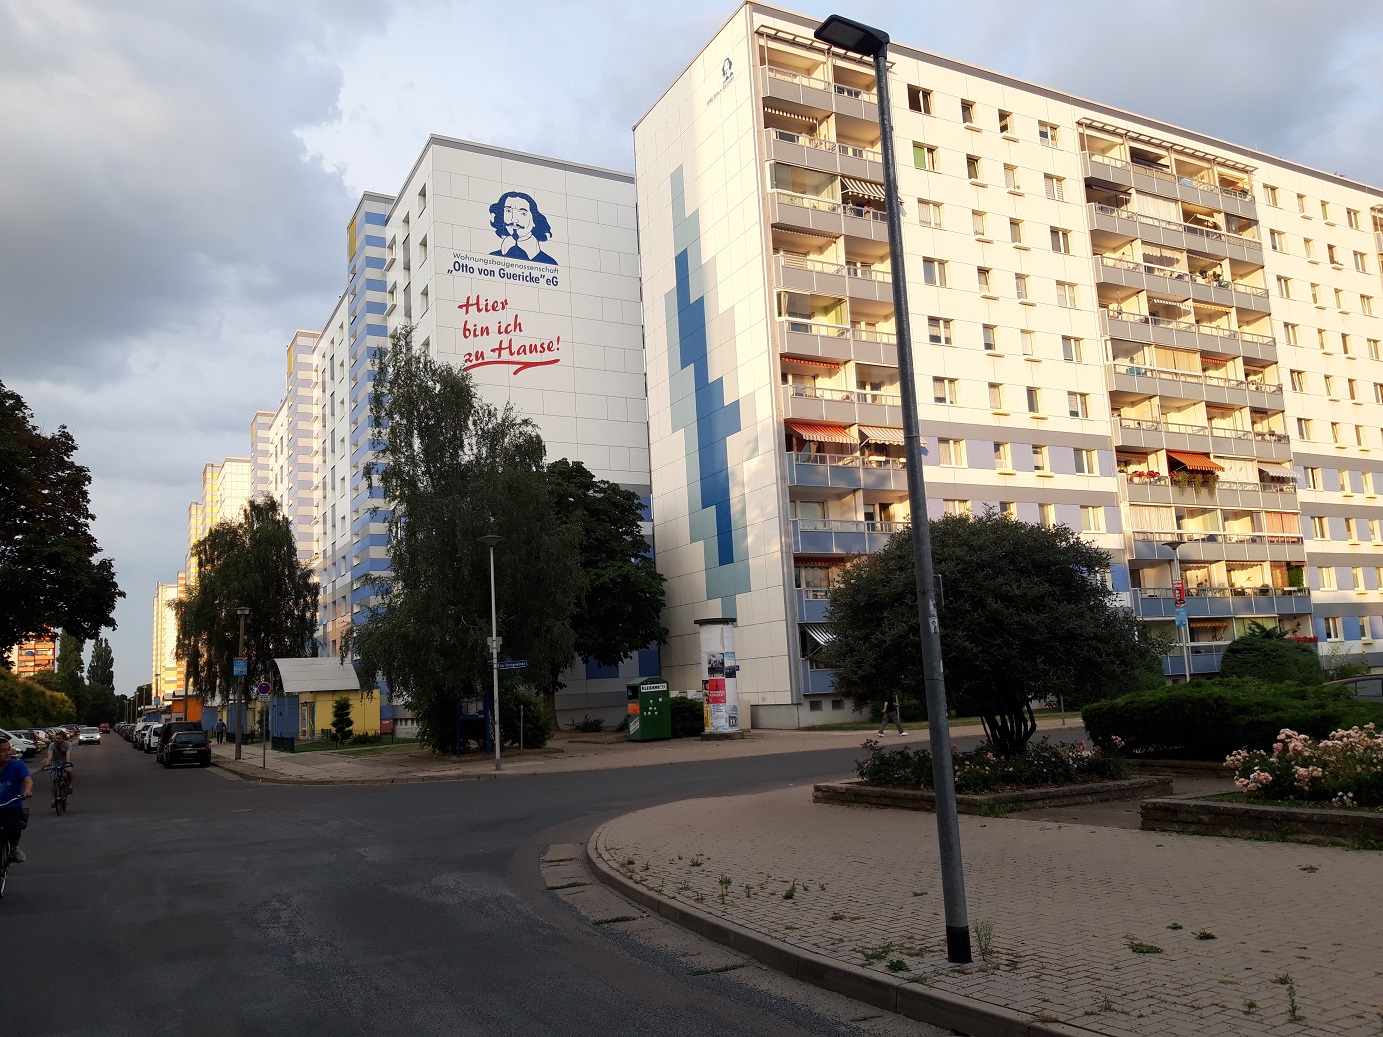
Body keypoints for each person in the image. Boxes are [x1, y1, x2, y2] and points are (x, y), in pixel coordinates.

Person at [488, 191, 557, 265]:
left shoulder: (549, 263)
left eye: (523, 213)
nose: (514, 219)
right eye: (508, 211)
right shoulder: (492, 258)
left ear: (534, 221)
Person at [0, 738, 33, 863]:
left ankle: (14, 849)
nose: (8, 753)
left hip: (11, 805)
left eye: (9, 749)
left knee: (14, 828)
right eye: (3, 751)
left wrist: (27, 790)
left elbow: (27, 779)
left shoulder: (17, 765)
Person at [44, 727, 74, 803]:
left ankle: (69, 785)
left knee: (69, 771)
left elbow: (68, 754)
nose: (57, 740)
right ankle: (53, 799)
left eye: (59, 738)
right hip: (55, 763)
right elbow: (49, 756)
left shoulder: (68, 744)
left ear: (64, 739)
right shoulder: (52, 745)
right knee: (55, 780)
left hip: (65, 762)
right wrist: (47, 765)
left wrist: (68, 763)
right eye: (56, 738)